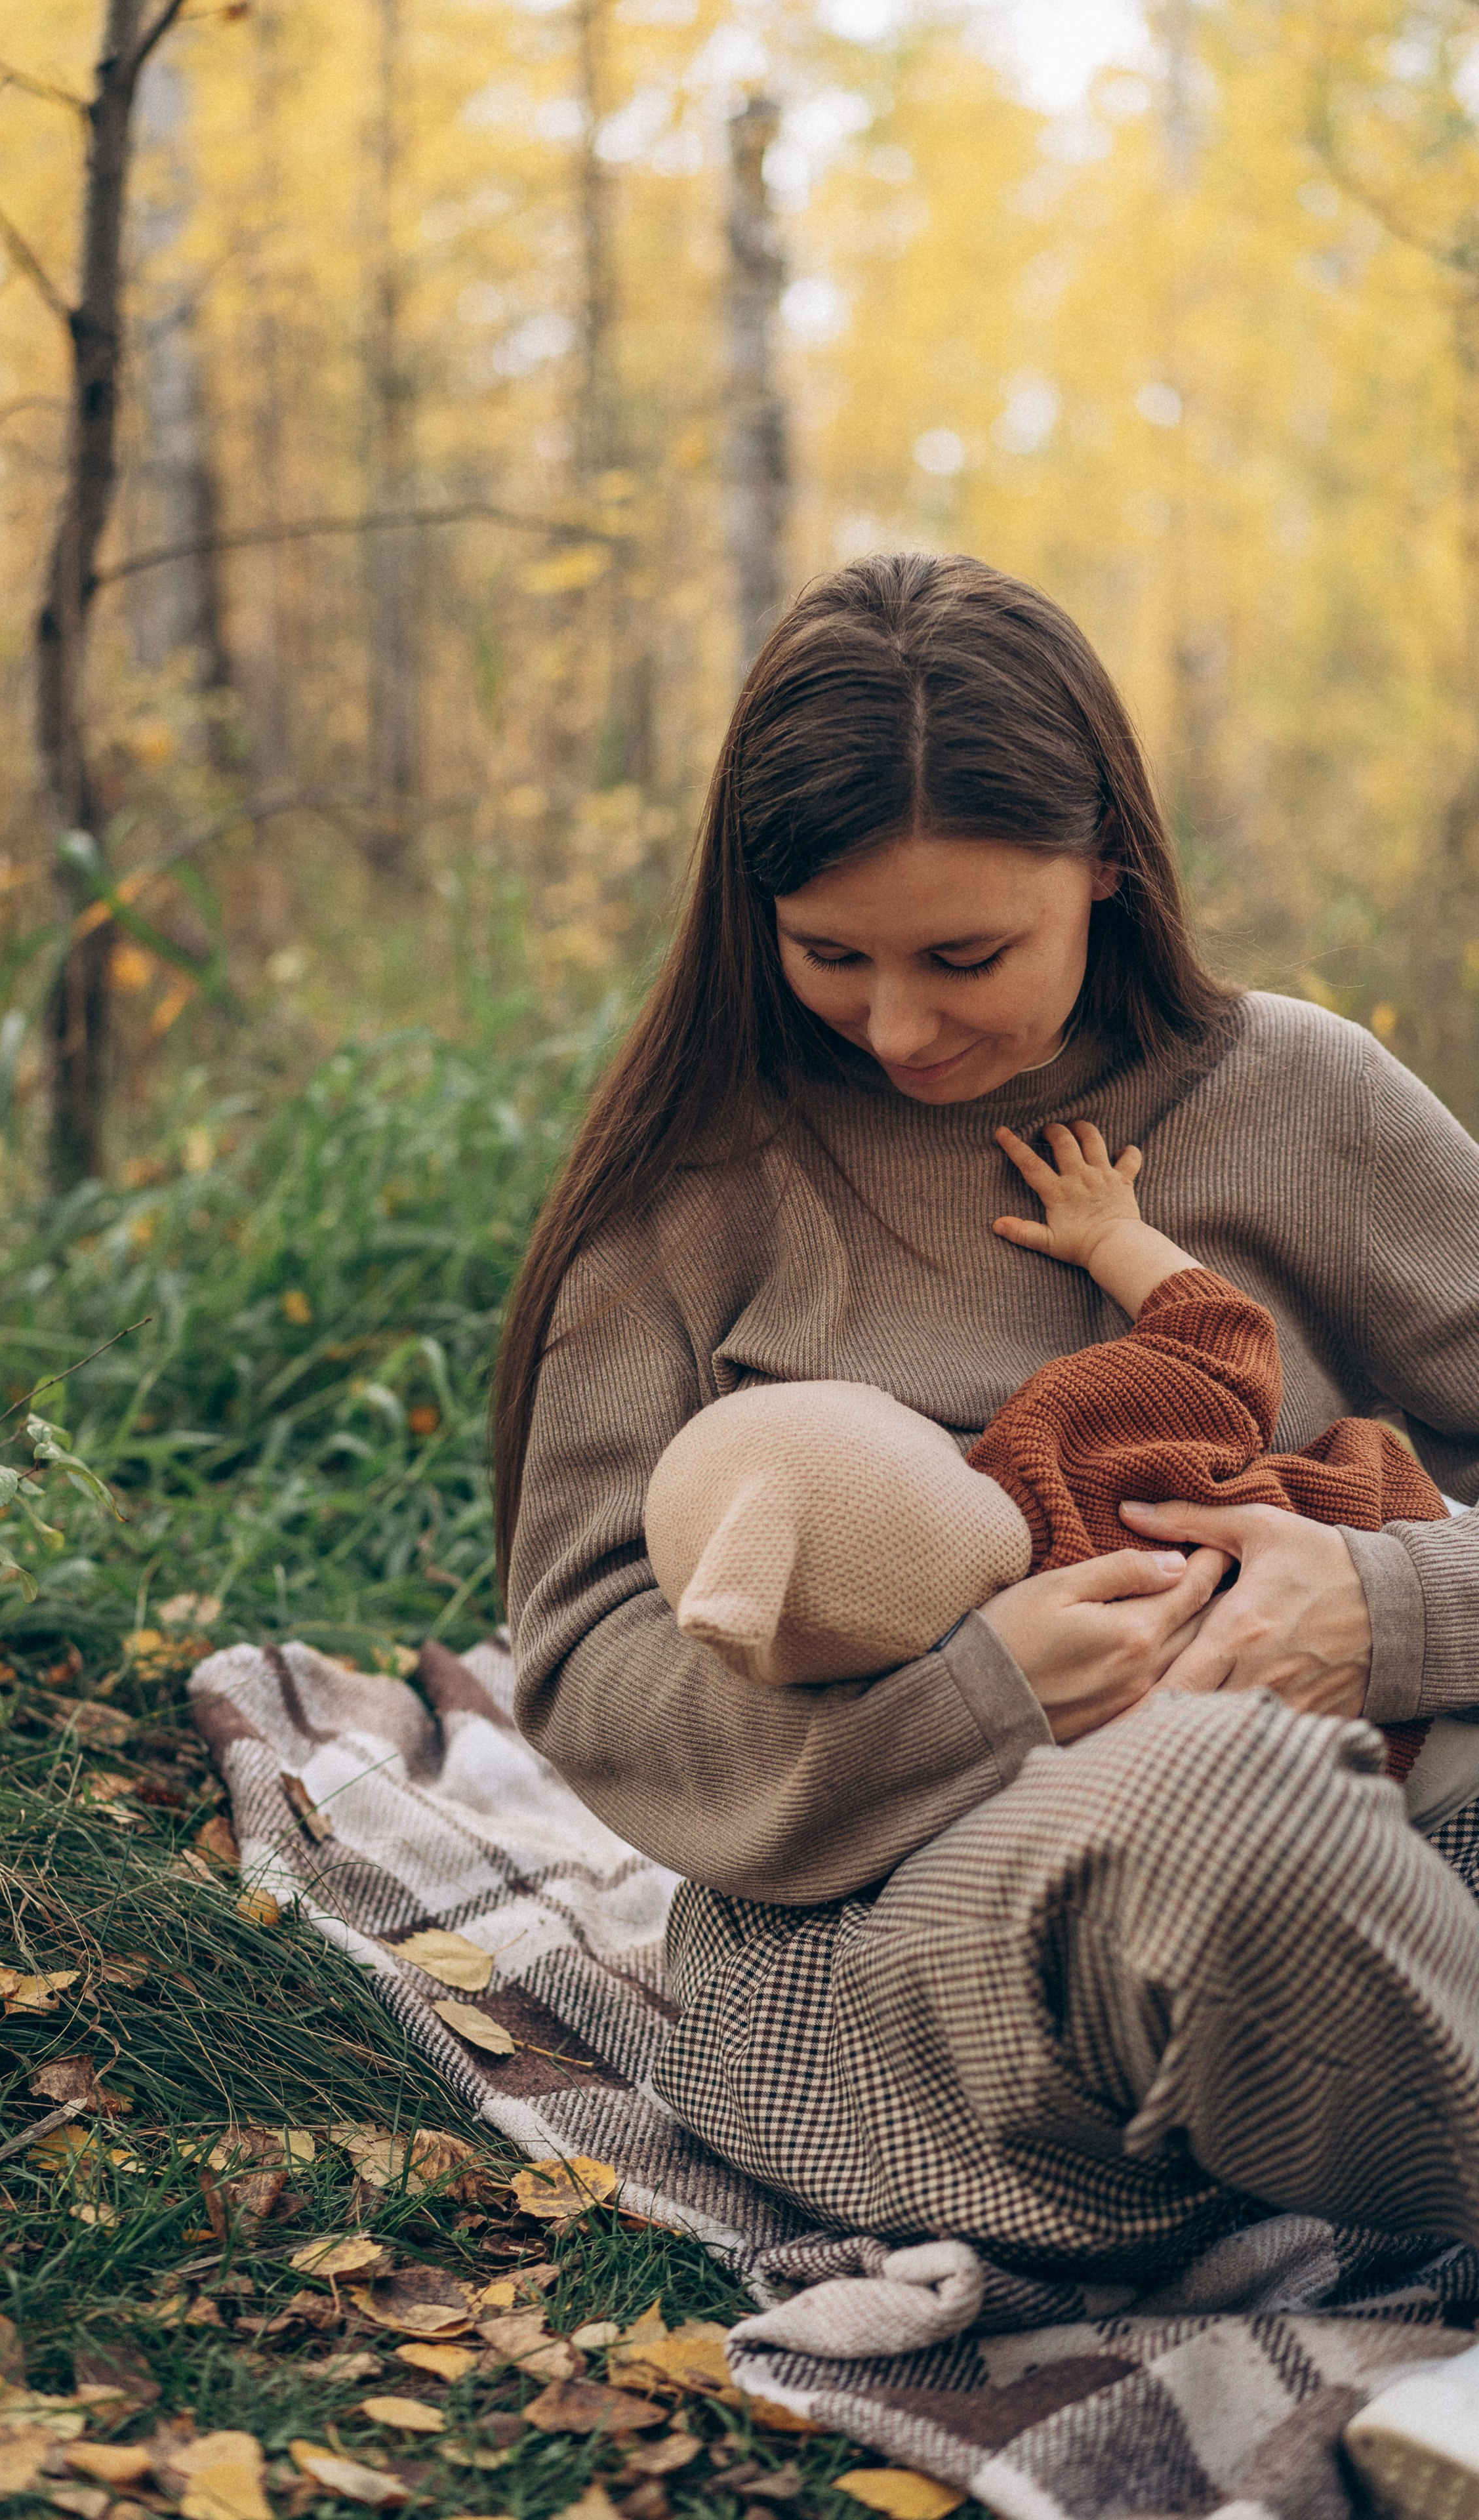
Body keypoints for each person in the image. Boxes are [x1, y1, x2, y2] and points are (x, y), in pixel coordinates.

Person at [492, 552, 1479, 2277]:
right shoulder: (696, 1190)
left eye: (965, 953)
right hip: (925, 1955)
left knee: (1299, 1794)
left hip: (1401, 1827)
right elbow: (588, 1663)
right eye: (830, 955)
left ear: (1107, 861)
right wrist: (981, 1695)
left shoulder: (1302, 1098)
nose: (898, 1025)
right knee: (1220, 1803)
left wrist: (1387, 1609)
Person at [639, 1117, 1444, 1806]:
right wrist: (1110, 1235)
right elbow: (1222, 1338)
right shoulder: (1058, 1439)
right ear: (879, 1414)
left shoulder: (921, 1704)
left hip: (1322, 1793)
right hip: (1392, 1579)